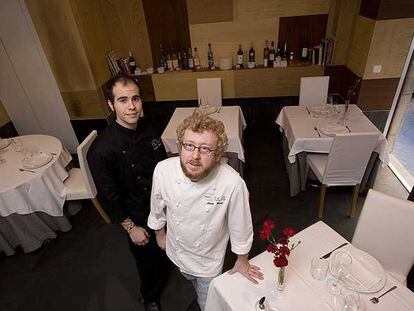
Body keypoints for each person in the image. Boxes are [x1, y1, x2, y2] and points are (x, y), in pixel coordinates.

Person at [148, 110, 263, 310]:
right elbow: (157, 205)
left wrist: (242, 259)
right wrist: (160, 234)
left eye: (205, 149)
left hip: (208, 260)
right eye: (189, 146)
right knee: (189, 279)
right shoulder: (163, 170)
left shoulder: (232, 183)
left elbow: (240, 224)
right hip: (176, 250)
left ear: (218, 155)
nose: (194, 156)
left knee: (208, 301)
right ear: (180, 146)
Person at [87, 74, 167, 311]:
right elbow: (108, 196)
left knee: (167, 250)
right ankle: (150, 297)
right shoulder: (102, 149)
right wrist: (131, 228)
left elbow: (161, 165)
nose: (131, 106)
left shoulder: (149, 126)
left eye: (135, 98)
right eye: (123, 100)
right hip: (137, 214)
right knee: (147, 263)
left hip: (162, 205)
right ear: (111, 105)